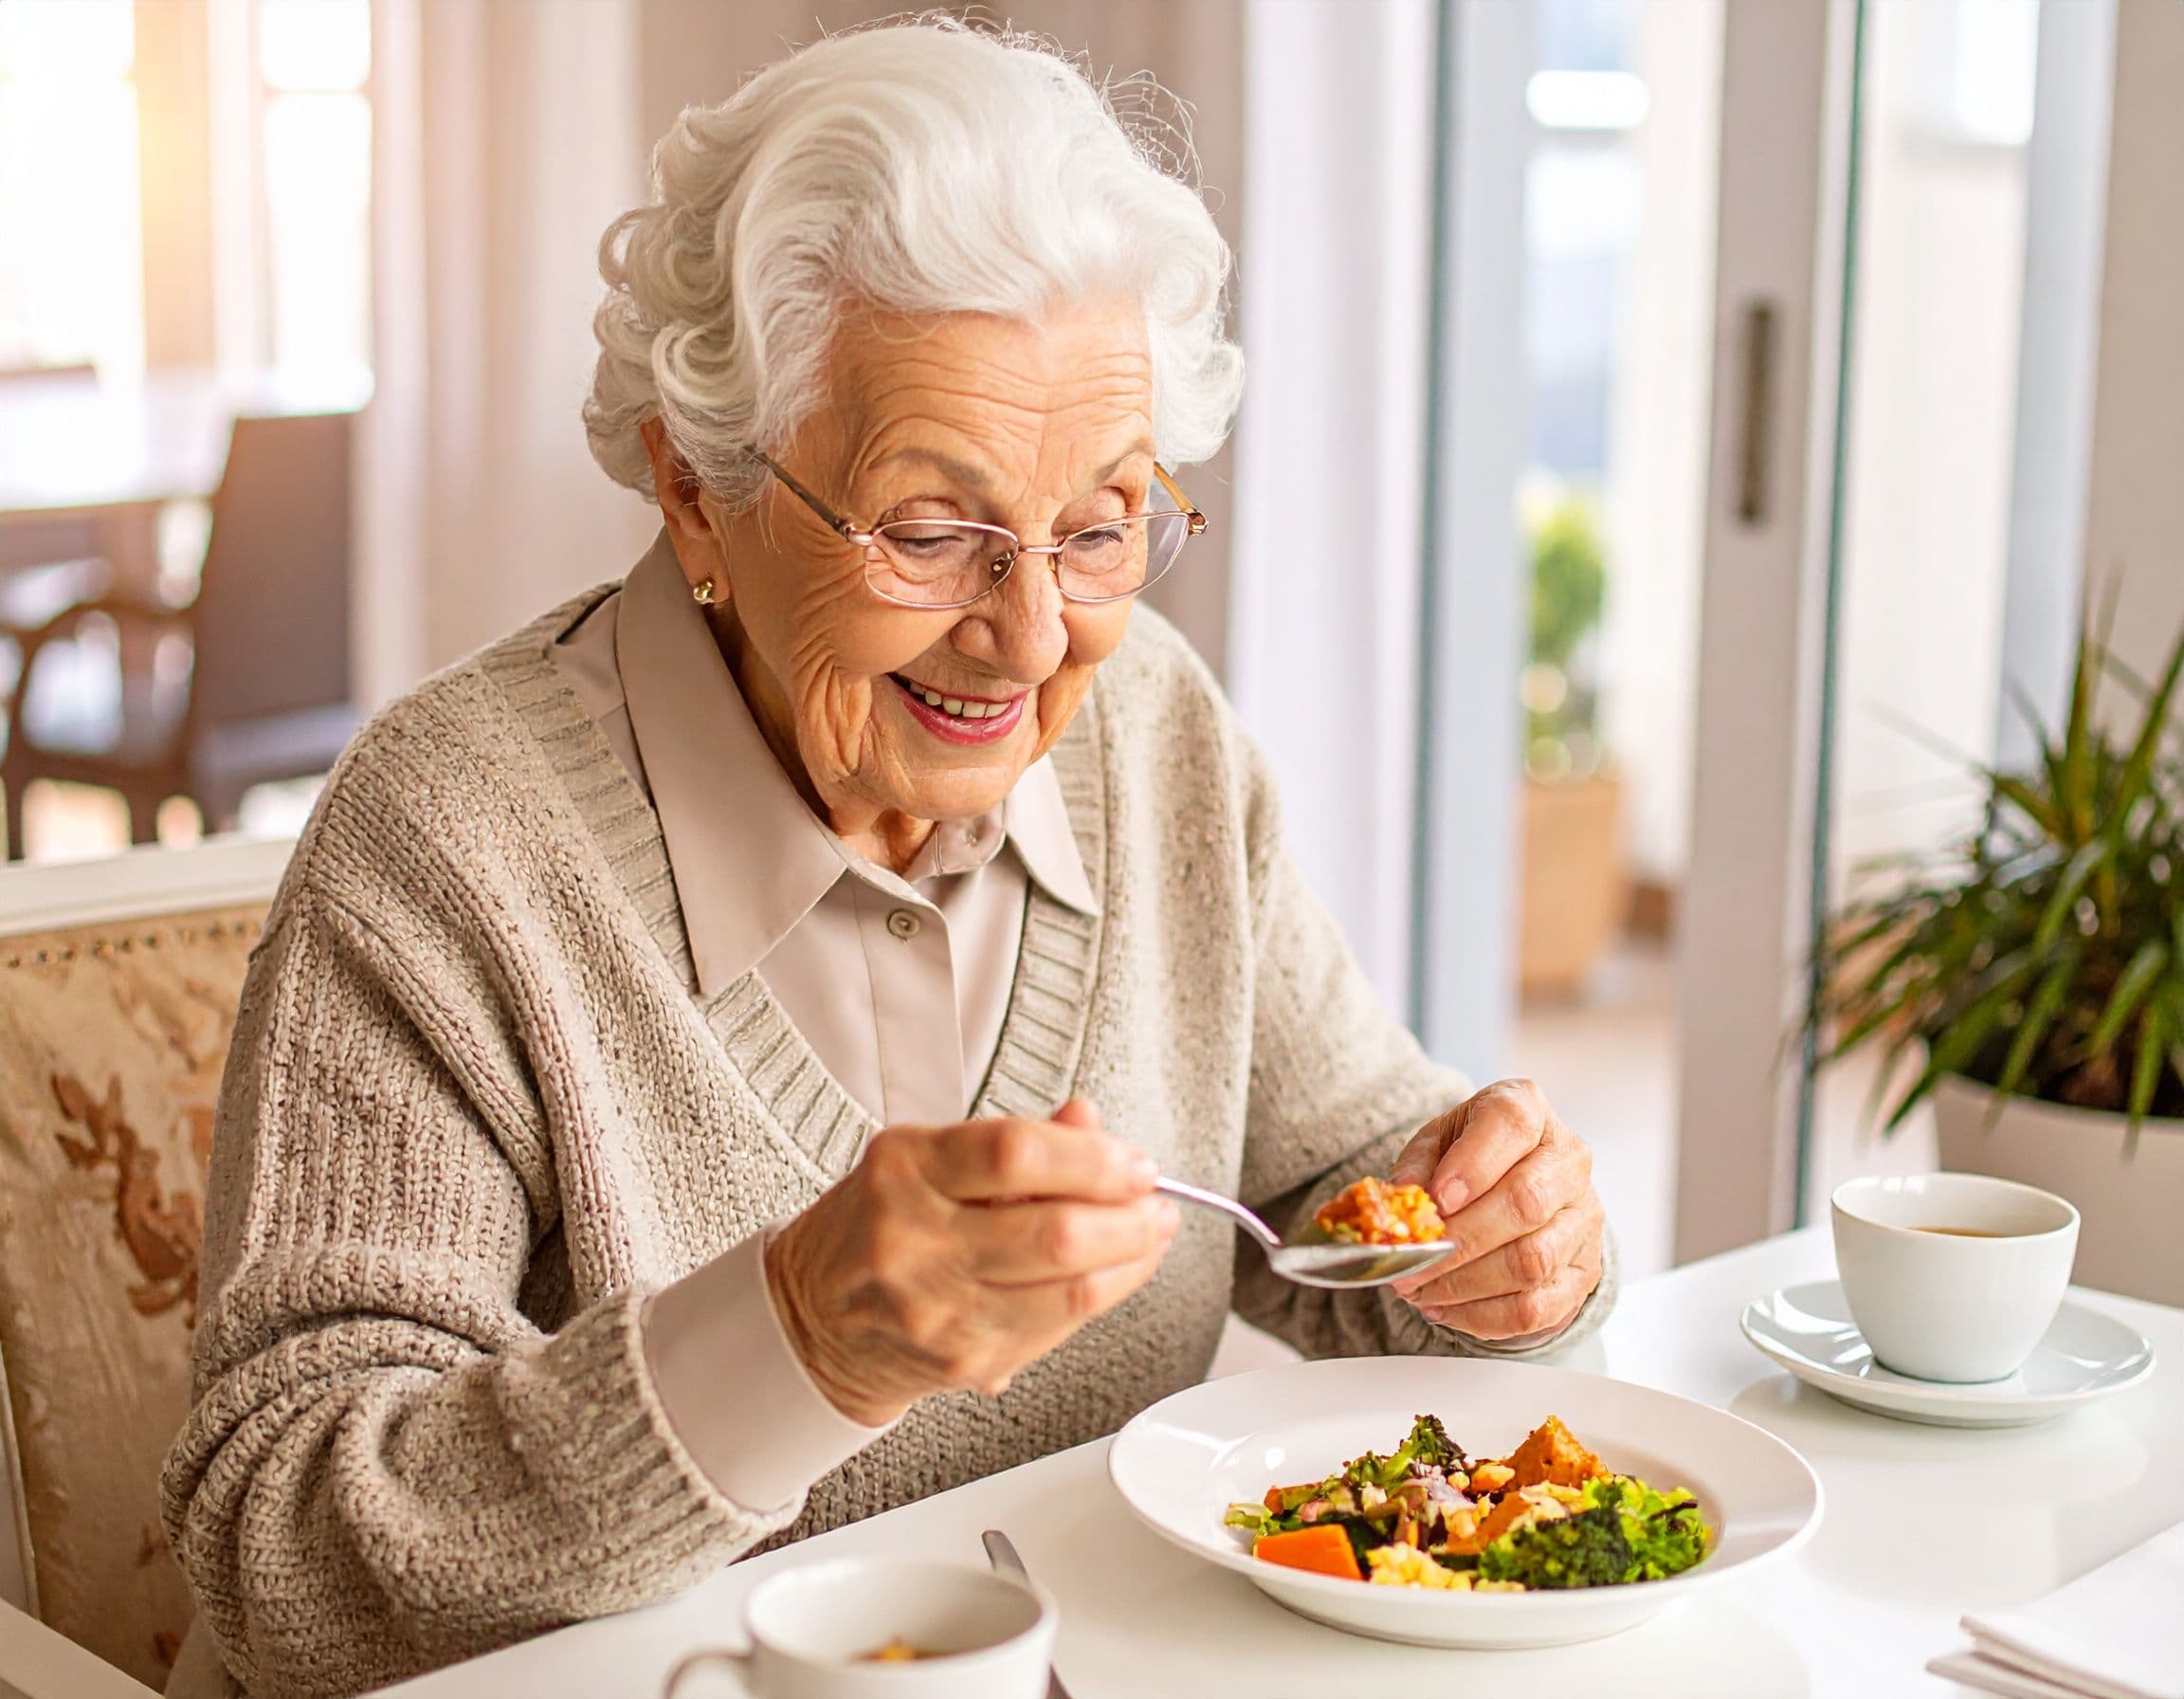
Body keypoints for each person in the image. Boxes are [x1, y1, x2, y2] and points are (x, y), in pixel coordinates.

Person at [161, 21, 1611, 1698]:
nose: (1034, 631)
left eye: (1104, 521)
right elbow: (280, 1553)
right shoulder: (449, 844)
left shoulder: (1156, 738)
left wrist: (1503, 1245)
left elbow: (1346, 1199)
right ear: (697, 490)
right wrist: (793, 1339)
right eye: (932, 532)